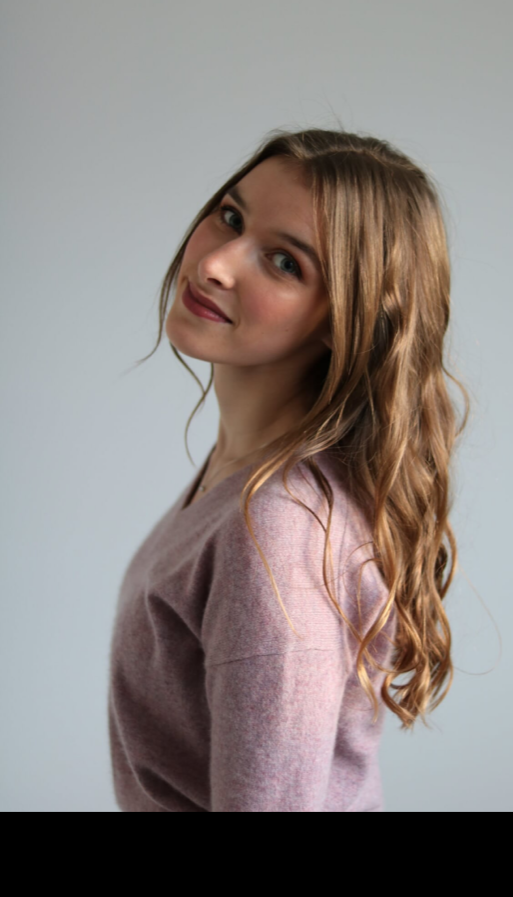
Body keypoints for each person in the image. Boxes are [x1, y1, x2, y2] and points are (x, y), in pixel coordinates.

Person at [108, 127, 470, 812]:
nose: (216, 263)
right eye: (230, 217)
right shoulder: (243, 479)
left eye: (283, 262)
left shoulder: (276, 529)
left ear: (344, 319)